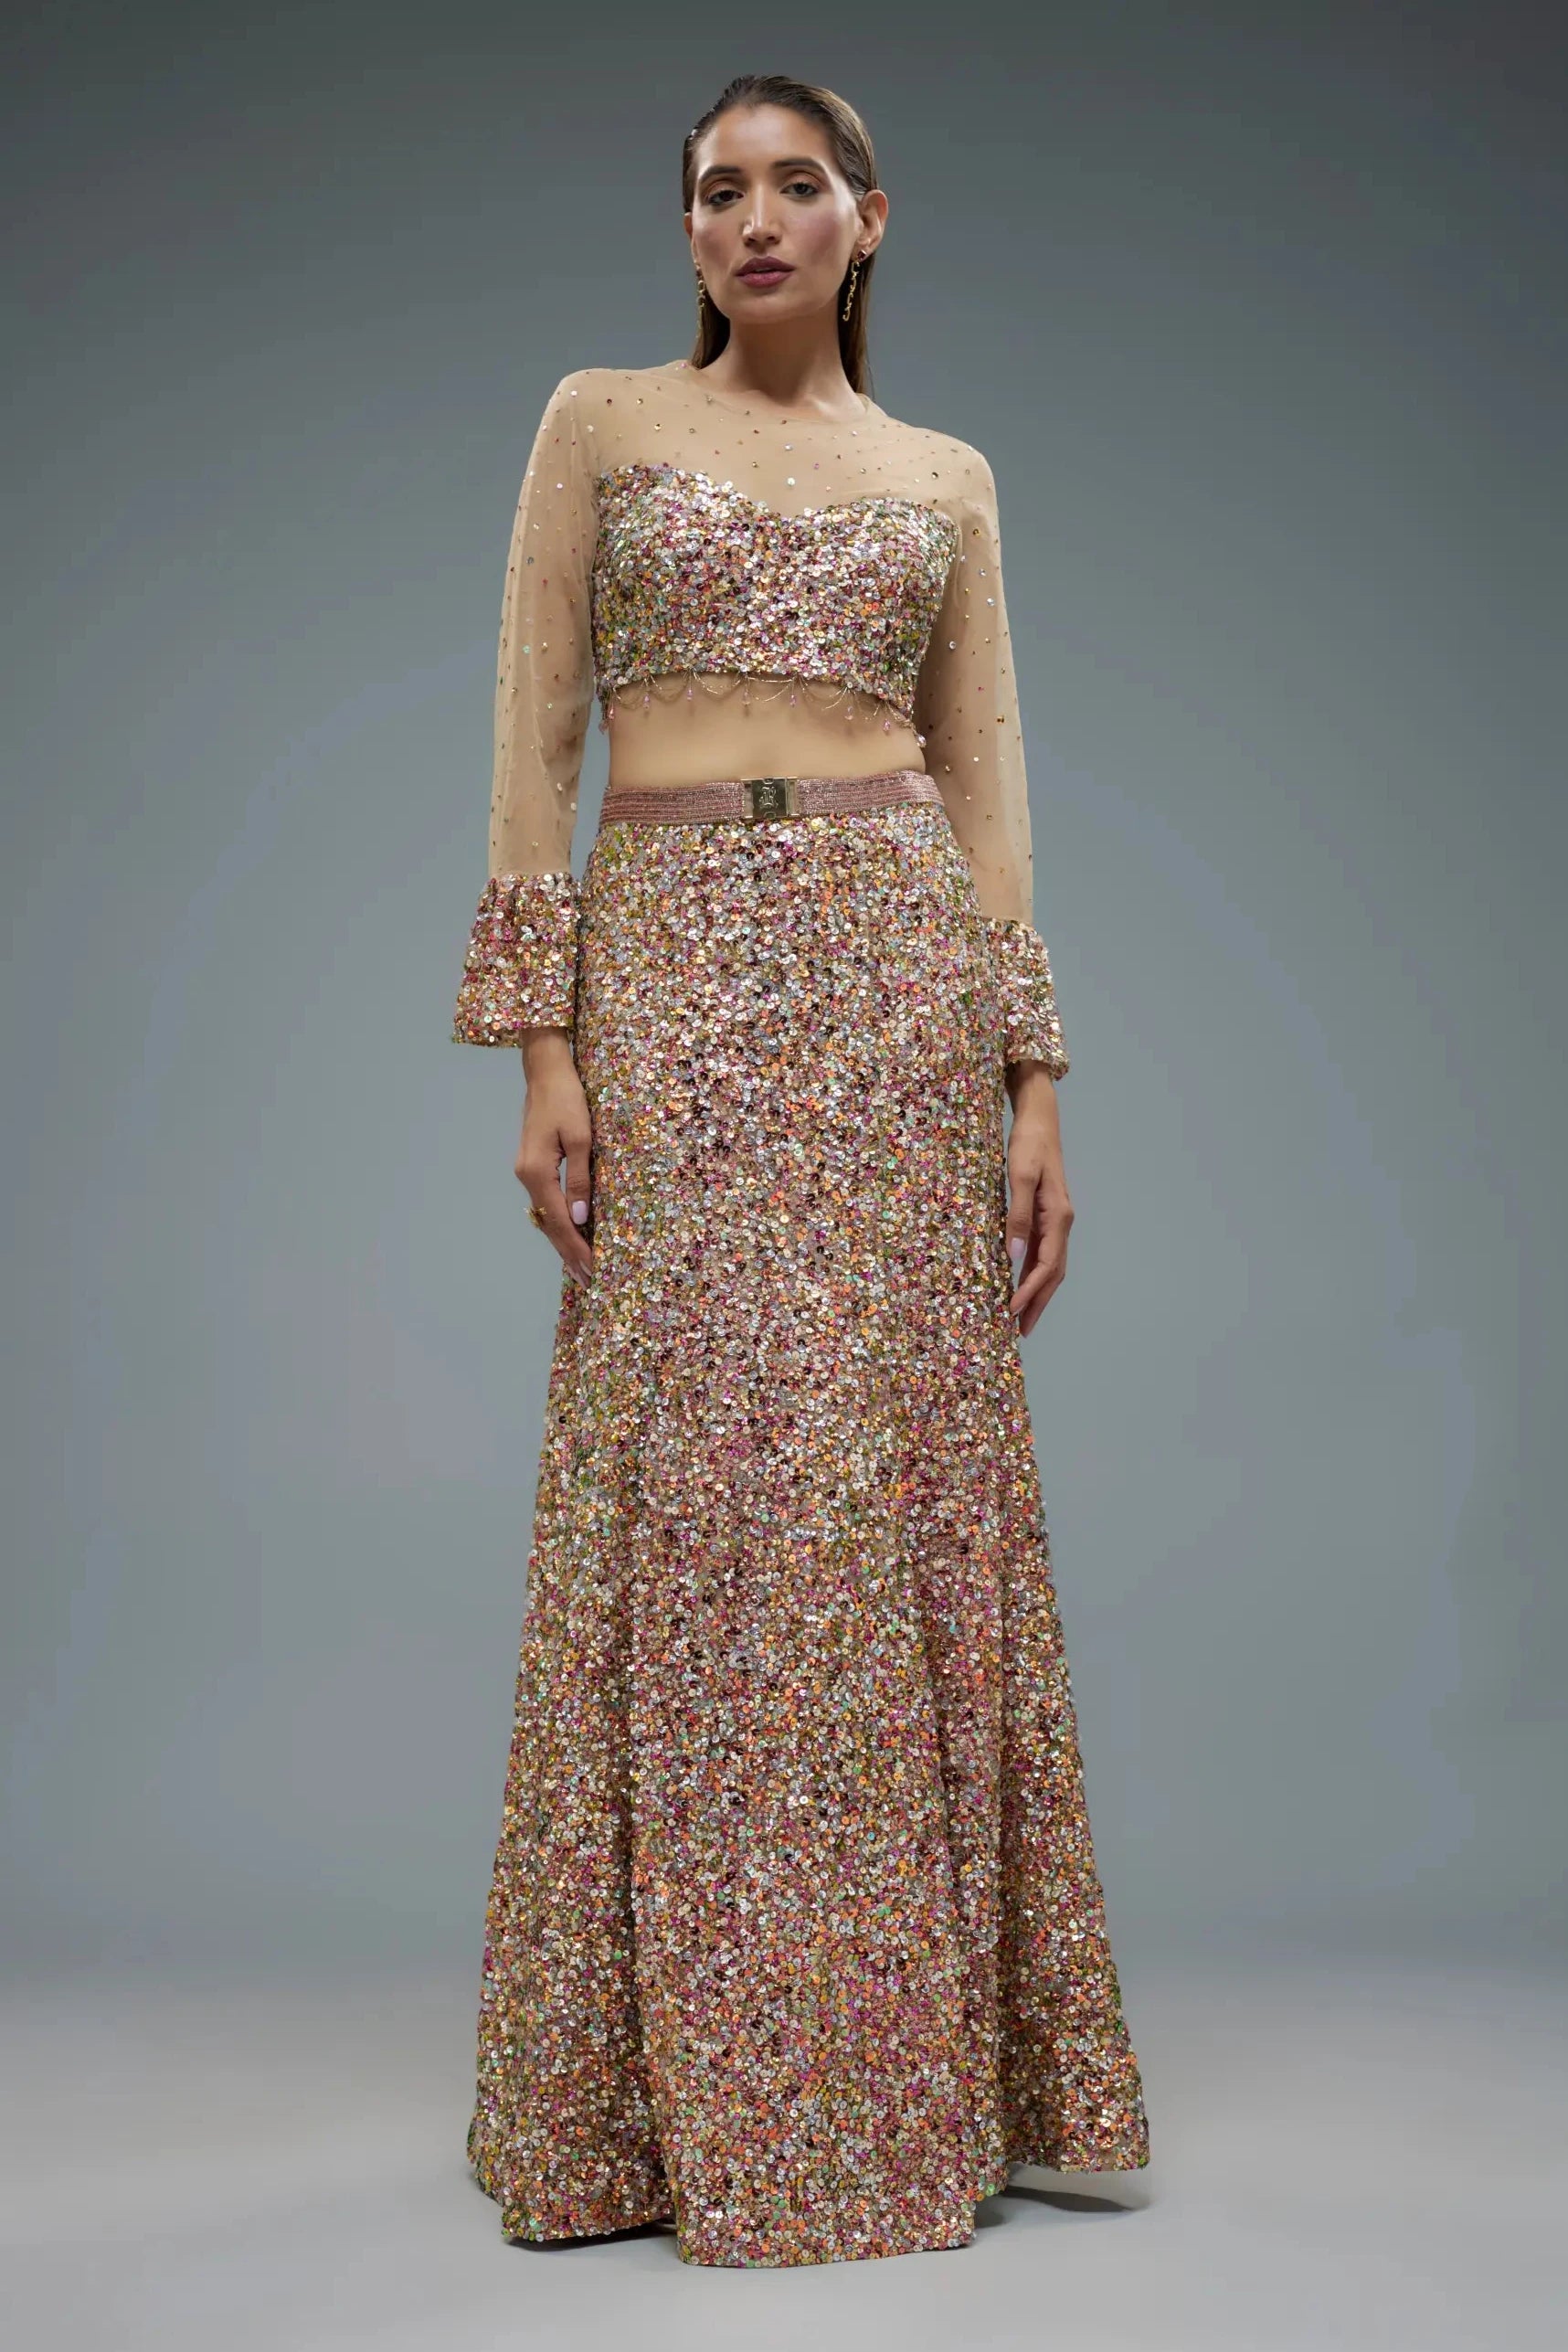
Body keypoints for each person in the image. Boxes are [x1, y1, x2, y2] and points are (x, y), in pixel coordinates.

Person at [450, 72, 1150, 2271]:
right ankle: (649, 2101)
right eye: (715, 191)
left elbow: (988, 774)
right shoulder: (601, 425)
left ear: (869, 218)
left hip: (895, 969)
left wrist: (1035, 1079)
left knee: (891, 1493)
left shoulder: (942, 475)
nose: (753, 219)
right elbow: (532, 733)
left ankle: (917, 2088)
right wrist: (545, 1046)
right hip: (669, 962)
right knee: (700, 1499)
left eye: (795, 185)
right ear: (687, 230)